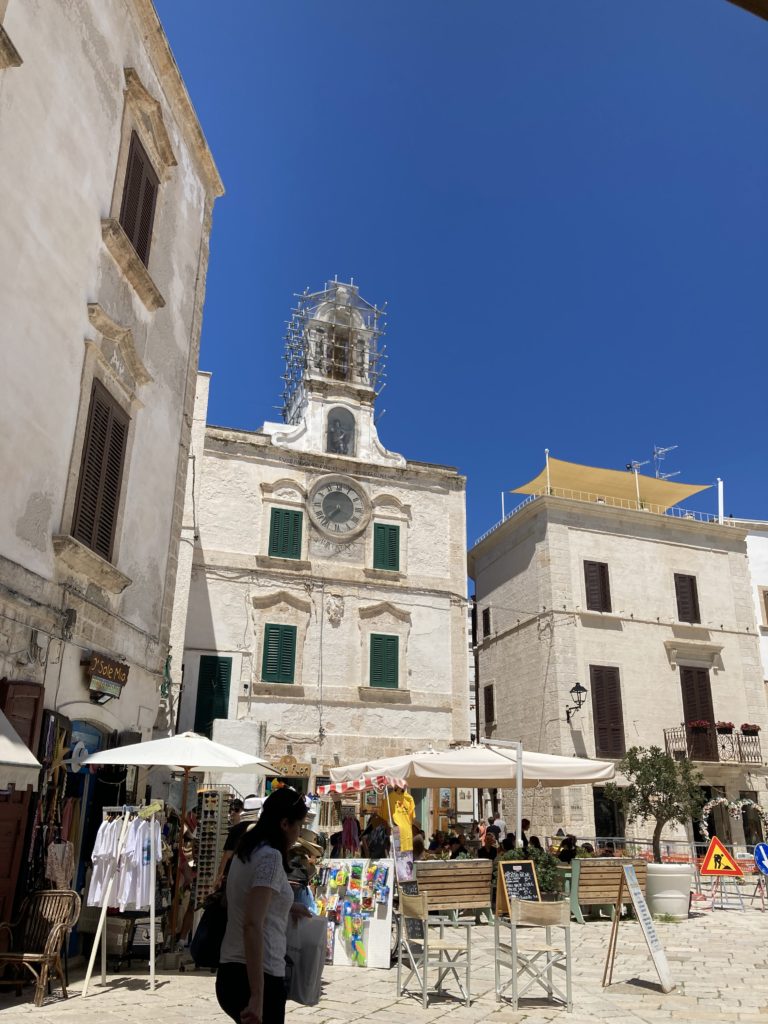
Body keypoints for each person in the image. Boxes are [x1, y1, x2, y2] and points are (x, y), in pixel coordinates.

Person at [216, 787, 311, 1024]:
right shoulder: (270, 857)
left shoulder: (247, 850)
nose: (299, 833)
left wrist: (289, 907)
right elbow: (252, 923)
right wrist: (257, 995)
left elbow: (244, 899)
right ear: (285, 824)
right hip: (257, 973)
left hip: (231, 968)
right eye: (299, 826)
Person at [215, 795, 262, 889]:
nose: (232, 814)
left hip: (235, 875)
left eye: (236, 810)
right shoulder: (263, 829)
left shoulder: (236, 829)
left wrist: (219, 878)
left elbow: (227, 856)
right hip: (256, 877)